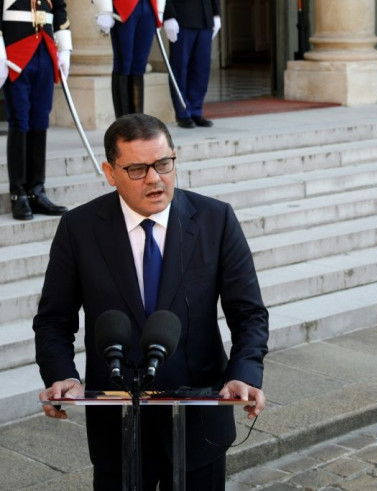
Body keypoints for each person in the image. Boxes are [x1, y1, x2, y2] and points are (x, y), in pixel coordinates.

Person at [34, 113, 269, 489]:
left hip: (198, 424)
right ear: (110, 172)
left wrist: (244, 373)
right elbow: (53, 321)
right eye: (138, 169)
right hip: (118, 427)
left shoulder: (215, 219)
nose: (156, 179)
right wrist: (63, 375)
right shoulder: (78, 229)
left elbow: (249, 314)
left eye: (164, 163)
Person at [1, 0, 71, 220]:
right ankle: (18, 193)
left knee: (40, 119)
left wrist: (65, 46)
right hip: (15, 49)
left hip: (45, 48)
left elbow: (59, 7)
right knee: (20, 120)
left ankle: (36, 190)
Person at [93, 0, 164, 118]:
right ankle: (123, 122)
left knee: (139, 66)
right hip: (123, 6)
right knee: (123, 64)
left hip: (149, 6)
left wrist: (160, 9)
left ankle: (137, 121)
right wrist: (104, 9)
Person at [163, 0, 221, 128]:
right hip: (181, 17)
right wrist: (168, 15)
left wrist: (216, 13)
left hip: (205, 17)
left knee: (201, 69)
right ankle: (183, 112)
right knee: (180, 68)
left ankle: (196, 110)